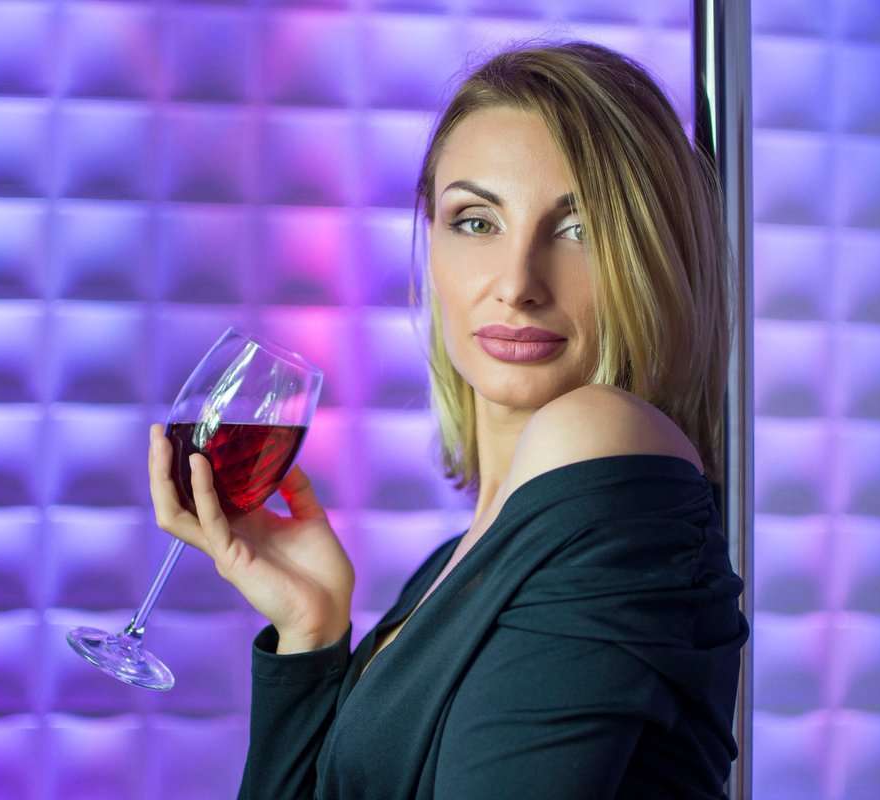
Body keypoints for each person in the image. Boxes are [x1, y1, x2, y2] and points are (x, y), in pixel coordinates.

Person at [149, 38, 748, 799]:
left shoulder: (602, 436)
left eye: (579, 229)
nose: (517, 284)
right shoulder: (444, 569)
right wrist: (311, 635)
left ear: (651, 257)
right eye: (476, 221)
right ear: (430, 239)